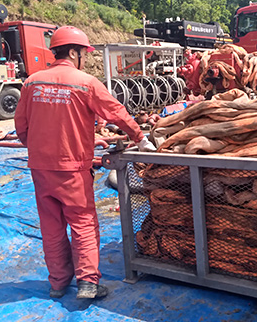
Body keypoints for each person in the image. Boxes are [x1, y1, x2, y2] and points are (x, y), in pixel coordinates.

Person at [14, 26, 156, 300]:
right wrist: (140, 138)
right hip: (73, 171)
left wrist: (43, 149)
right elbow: (116, 112)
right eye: (84, 53)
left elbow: (21, 128)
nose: (86, 58)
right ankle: (88, 284)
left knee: (51, 226)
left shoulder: (31, 82)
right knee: (83, 224)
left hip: (41, 170)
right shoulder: (86, 82)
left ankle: (57, 284)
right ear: (74, 52)